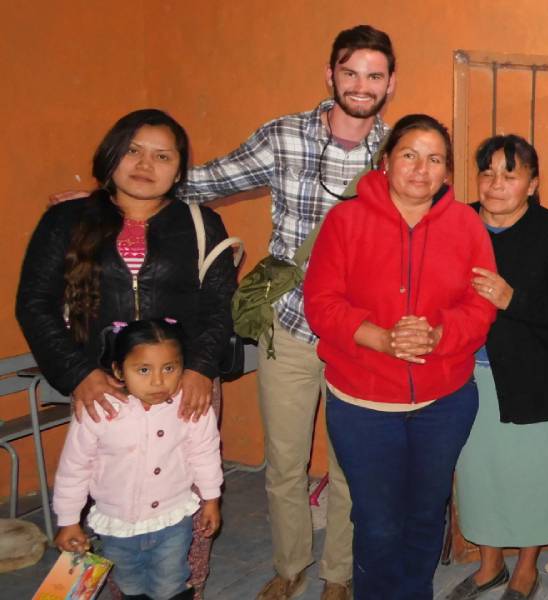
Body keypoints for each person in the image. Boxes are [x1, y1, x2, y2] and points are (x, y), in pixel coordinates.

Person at [170, 25, 396, 600]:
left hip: (362, 337)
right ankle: (291, 564)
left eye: (374, 75)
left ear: (390, 84)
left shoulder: (401, 153)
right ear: (331, 75)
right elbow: (206, 181)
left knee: (350, 468)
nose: (361, 85)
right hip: (290, 329)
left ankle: (339, 574)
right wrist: (115, 190)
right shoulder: (284, 137)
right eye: (350, 72)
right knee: (284, 463)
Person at [16, 108, 236, 598]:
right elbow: (34, 303)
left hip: (187, 390)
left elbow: (219, 307)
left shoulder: (202, 224)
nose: (145, 164)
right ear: (112, 154)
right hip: (103, 389)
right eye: (134, 150)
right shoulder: (66, 221)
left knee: (188, 521)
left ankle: (185, 590)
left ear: (178, 170)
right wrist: (78, 374)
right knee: (114, 516)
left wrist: (200, 368)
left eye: (162, 155)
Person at [303, 113, 496, 599]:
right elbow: (321, 304)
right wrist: (380, 338)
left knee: (427, 514)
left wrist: (439, 335)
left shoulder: (466, 223)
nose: (420, 168)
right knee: (378, 521)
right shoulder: (346, 221)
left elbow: (481, 303)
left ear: (448, 174)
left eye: (435, 160)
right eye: (409, 154)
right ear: (386, 161)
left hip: (443, 400)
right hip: (364, 403)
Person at [446, 135, 548, 600]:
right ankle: (489, 566)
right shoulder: (456, 222)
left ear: (532, 183)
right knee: (477, 473)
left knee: (534, 476)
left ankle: (526, 566)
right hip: (466, 374)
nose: (496, 184)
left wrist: (512, 299)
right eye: (487, 172)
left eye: (510, 173)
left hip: (535, 379)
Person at [52, 319, 223, 600]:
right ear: (119, 370)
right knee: (129, 584)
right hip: (116, 524)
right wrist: (69, 520)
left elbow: (205, 452)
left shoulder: (190, 407)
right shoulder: (100, 410)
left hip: (172, 519)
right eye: (143, 370)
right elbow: (74, 468)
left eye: (169, 368)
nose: (158, 381)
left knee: (171, 583)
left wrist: (211, 499)